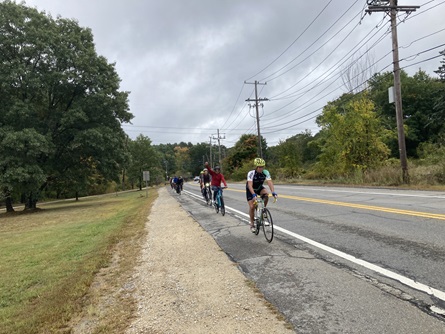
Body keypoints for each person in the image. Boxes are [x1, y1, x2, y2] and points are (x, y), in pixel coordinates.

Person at [246, 158, 277, 233]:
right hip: (251, 189)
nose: (261, 168)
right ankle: (252, 224)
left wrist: (273, 192)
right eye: (259, 167)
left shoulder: (265, 172)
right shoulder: (251, 173)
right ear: (256, 167)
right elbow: (250, 185)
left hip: (259, 188)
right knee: (252, 206)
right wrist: (253, 194)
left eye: (262, 166)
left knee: (266, 194)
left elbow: (269, 182)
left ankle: (263, 210)